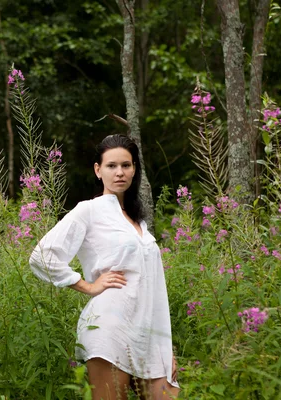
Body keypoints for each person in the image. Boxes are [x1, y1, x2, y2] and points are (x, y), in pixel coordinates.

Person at [29, 134, 180, 400]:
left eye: (126, 165)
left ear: (135, 169)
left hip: (149, 335)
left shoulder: (138, 222)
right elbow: (42, 255)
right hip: (109, 326)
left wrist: (167, 347)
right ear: (98, 170)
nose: (119, 172)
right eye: (111, 166)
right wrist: (87, 285)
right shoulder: (89, 210)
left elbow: (154, 289)